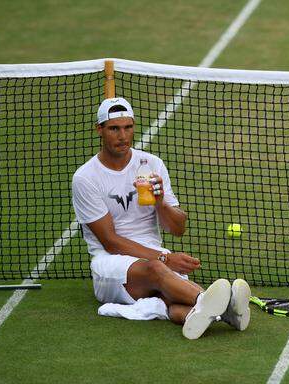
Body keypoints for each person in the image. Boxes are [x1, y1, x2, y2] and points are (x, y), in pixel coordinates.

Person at [72, 97, 250, 339]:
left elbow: (178, 228)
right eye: (114, 128)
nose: (122, 136)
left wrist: (160, 202)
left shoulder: (152, 164)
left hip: (154, 257)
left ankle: (213, 316)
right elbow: (110, 242)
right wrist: (165, 258)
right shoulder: (86, 178)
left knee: (168, 298)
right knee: (157, 270)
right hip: (110, 267)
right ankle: (220, 303)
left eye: (128, 127)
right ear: (100, 130)